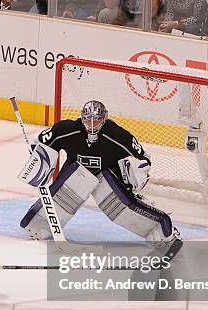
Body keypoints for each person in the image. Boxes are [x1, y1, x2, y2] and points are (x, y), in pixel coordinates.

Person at [19, 100, 182, 256]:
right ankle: (38, 225)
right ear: (81, 118)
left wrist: (135, 174)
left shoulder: (117, 135)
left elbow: (143, 158)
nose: (91, 125)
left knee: (121, 209)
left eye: (96, 121)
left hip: (106, 175)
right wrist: (39, 157)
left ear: (104, 119)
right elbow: (41, 141)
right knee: (64, 197)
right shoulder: (68, 130)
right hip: (75, 172)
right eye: (87, 120)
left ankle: (161, 231)